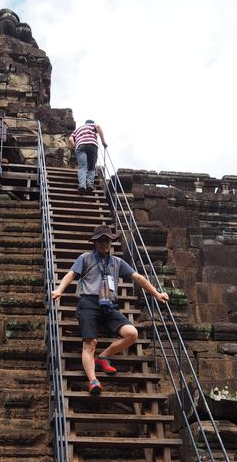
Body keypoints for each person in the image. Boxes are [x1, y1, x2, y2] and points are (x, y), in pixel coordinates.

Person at [51, 225, 169, 394]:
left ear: (111, 242)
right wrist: (59, 290)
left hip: (109, 305)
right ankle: (93, 380)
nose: (104, 243)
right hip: (89, 303)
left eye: (107, 240)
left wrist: (157, 294)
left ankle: (103, 356)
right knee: (90, 343)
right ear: (95, 243)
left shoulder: (117, 262)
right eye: (100, 240)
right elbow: (71, 274)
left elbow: (137, 277)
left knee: (132, 334)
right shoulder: (85, 258)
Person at [68, 119, 107, 194]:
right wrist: (103, 142)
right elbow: (98, 127)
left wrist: (75, 147)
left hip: (81, 146)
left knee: (82, 167)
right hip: (92, 145)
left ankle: (82, 185)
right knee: (91, 167)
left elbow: (70, 139)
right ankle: (89, 185)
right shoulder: (92, 125)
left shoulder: (78, 129)